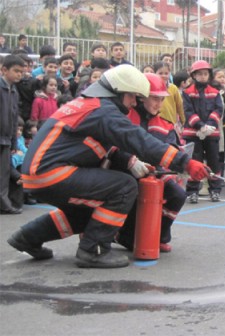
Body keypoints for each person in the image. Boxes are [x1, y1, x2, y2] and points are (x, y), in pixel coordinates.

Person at [6, 64, 210, 268]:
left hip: (40, 173)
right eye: (131, 96)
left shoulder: (89, 104)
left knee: (88, 212)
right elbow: (139, 140)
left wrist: (132, 161)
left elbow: (93, 144)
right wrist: (185, 163)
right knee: (124, 187)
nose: (133, 102)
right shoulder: (103, 111)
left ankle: (28, 238)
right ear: (118, 92)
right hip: (52, 173)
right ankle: (93, 250)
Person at [116, 73, 186, 253]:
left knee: (177, 195)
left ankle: (160, 235)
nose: (159, 104)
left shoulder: (164, 123)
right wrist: (131, 162)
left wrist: (181, 164)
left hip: (155, 173)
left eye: (162, 100)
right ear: (140, 96)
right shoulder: (124, 117)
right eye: (155, 98)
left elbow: (172, 147)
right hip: (123, 170)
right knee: (132, 192)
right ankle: (123, 235)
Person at [182, 60, 224, 203]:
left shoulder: (215, 92)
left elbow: (219, 109)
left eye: (205, 74)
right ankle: (192, 190)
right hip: (193, 133)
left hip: (211, 133)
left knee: (214, 162)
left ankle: (215, 190)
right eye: (199, 74)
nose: (203, 76)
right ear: (194, 75)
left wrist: (210, 125)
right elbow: (188, 111)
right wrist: (200, 126)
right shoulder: (188, 92)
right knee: (195, 162)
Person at [0, 55, 25, 215]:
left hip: (6, 139)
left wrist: (14, 142)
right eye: (16, 71)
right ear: (4, 70)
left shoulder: (14, 91)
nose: (19, 74)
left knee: (4, 174)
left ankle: (4, 204)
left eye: (21, 72)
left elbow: (15, 118)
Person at [154, 61, 185, 127]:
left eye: (166, 73)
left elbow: (180, 106)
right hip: (155, 123)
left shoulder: (173, 88)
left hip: (171, 123)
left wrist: (184, 121)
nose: (164, 75)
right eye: (160, 73)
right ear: (154, 73)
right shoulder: (152, 88)